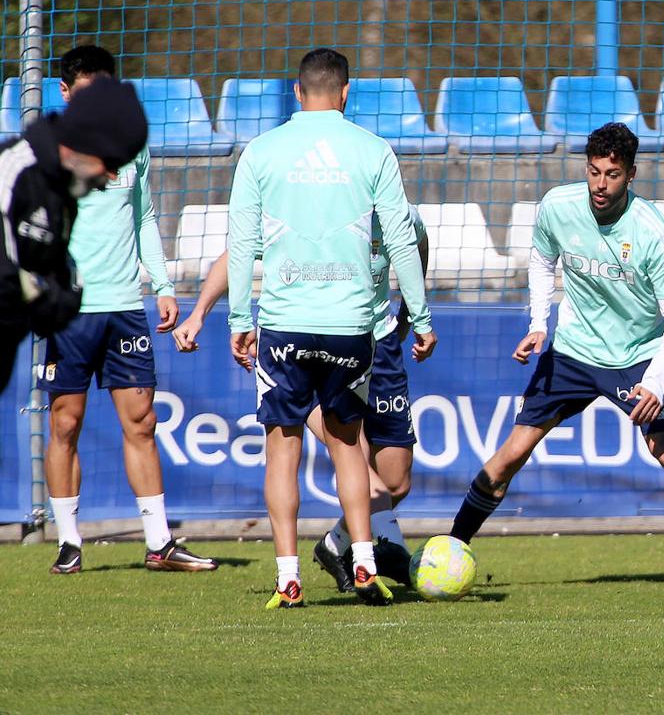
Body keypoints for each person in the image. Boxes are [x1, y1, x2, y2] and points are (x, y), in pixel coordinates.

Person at [446, 121, 664, 587]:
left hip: (634, 357)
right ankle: (450, 551)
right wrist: (537, 323)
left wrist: (653, 380)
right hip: (571, 351)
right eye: (593, 172)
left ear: (631, 175)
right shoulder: (558, 206)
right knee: (512, 452)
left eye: (611, 174)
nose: (599, 185)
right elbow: (541, 258)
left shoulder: (652, 232)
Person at [227, 47, 435, 608]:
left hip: (285, 322)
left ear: (298, 93)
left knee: (283, 450)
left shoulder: (262, 152)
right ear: (346, 94)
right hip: (350, 325)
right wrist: (422, 317)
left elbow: (240, 243)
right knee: (349, 447)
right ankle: (364, 564)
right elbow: (400, 239)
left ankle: (288, 578)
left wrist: (240, 319)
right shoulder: (372, 150)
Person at [172, 208, 430, 591]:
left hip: (381, 341)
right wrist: (199, 313)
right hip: (316, 344)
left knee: (395, 481)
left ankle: (335, 545)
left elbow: (419, 246)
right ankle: (376, 550)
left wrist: (411, 308)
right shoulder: (314, 205)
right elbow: (237, 253)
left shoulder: (402, 214)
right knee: (353, 457)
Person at [29, 47, 216, 576]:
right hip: (70, 313)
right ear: (65, 94)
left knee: (142, 421)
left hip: (125, 309)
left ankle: (159, 544)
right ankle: (68, 542)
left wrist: (161, 282)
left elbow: (145, 216)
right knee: (66, 423)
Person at [0, 76, 147, 394]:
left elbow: (55, 292)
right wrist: (33, 292)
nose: (110, 179)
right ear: (85, 142)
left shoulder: (64, 193)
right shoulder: (12, 171)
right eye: (109, 164)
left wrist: (51, 295)